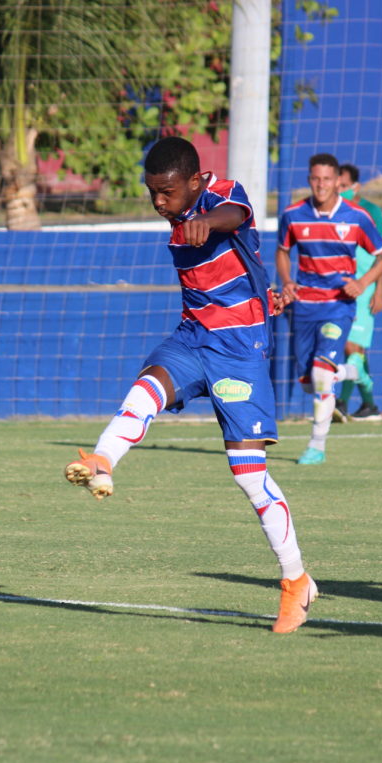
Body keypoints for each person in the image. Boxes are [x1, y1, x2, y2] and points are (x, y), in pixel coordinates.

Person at [63, 136, 318, 634]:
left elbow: (237, 215)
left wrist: (208, 219)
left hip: (239, 354)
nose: (159, 202)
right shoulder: (177, 225)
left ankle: (296, 582)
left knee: (248, 475)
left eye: (168, 192)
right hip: (193, 339)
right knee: (147, 386)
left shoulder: (221, 195)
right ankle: (101, 459)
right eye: (151, 192)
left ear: (196, 181)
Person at [276, 153, 382, 464]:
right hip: (304, 308)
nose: (321, 185)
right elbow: (283, 252)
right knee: (308, 381)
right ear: (309, 180)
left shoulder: (356, 216)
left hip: (338, 306)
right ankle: (353, 372)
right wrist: (287, 281)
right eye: (316, 179)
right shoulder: (293, 214)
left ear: (338, 182)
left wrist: (364, 282)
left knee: (321, 375)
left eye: (327, 179)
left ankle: (317, 446)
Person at [334, 163, 382, 420]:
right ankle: (369, 403)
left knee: (351, 345)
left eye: (344, 186)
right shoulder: (332, 211)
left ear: (356, 186)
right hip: (340, 287)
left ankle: (342, 402)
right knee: (354, 348)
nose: (339, 190)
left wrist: (379, 289)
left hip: (364, 287)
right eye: (338, 185)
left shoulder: (369, 211)